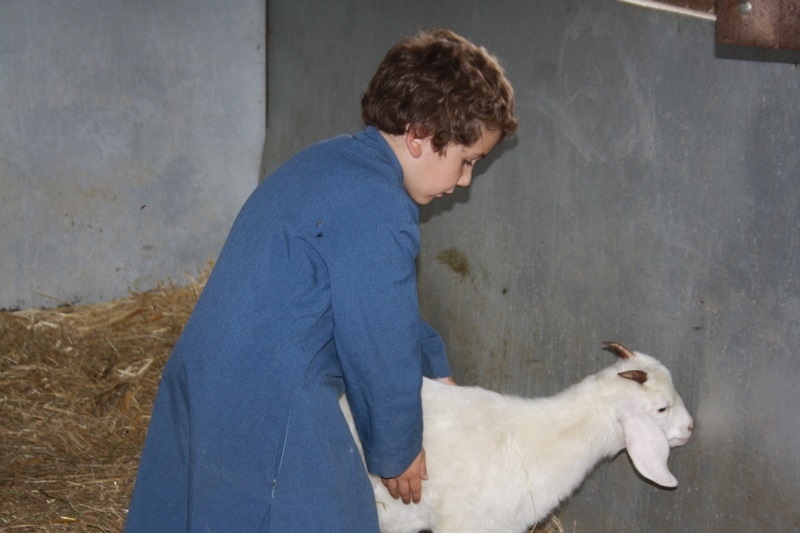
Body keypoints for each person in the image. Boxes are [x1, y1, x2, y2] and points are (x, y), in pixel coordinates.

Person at [125, 28, 517, 532]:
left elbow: (370, 300)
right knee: (330, 514)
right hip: (267, 403)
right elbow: (377, 339)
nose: (464, 181)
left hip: (210, 380)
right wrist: (399, 449)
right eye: (467, 162)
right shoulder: (380, 208)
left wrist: (434, 364)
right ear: (420, 135)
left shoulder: (333, 163)